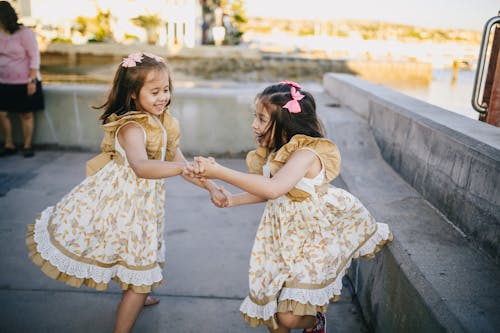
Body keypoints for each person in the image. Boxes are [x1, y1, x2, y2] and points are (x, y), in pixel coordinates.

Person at [26, 52, 226, 333]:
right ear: (133, 94)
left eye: (166, 89)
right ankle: (131, 306)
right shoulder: (132, 127)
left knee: (133, 256)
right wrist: (179, 170)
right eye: (154, 91)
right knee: (139, 268)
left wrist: (210, 185)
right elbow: (142, 167)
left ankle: (135, 293)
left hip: (142, 205)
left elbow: (179, 161)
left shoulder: (162, 121)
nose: (163, 97)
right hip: (121, 205)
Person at [186, 81, 393, 333]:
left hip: (313, 240)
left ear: (286, 123)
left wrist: (219, 171)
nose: (254, 124)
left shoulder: (306, 154)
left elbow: (274, 188)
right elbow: (269, 192)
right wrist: (232, 200)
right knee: (273, 314)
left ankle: (315, 320)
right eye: (256, 117)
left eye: (262, 119)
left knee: (289, 318)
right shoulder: (274, 153)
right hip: (281, 238)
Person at [0, 1, 44, 158]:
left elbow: (34, 57)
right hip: (3, 82)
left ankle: (27, 145)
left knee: (26, 114)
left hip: (25, 81)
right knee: (2, 113)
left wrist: (32, 80)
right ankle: (9, 144)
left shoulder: (24, 33)